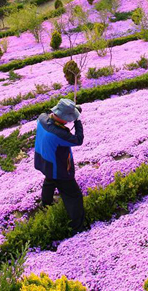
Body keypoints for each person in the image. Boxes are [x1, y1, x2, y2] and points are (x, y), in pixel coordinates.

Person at [34, 98, 85, 233]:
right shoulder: (59, 133)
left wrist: (73, 112)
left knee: (49, 181)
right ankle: (78, 227)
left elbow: (52, 123)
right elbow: (78, 140)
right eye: (69, 118)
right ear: (64, 117)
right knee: (73, 196)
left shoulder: (42, 118)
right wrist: (78, 120)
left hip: (44, 161)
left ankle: (46, 205)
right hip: (59, 169)